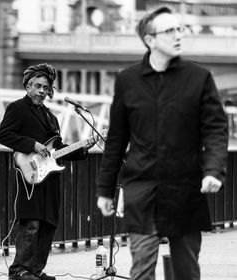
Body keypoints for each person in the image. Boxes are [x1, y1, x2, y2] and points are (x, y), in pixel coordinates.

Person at [96, 7, 228, 280]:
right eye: (170, 31)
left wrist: (214, 171)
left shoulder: (199, 77)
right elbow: (117, 139)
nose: (178, 35)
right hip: (142, 188)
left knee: (186, 271)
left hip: (185, 187)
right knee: (141, 269)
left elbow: (215, 129)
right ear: (149, 39)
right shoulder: (128, 80)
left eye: (180, 29)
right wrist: (105, 190)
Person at [0, 63, 95, 280]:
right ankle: (19, 270)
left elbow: (57, 151)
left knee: (48, 224)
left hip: (49, 178)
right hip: (29, 176)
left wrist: (83, 148)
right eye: (38, 86)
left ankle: (35, 270)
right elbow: (3, 135)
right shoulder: (17, 108)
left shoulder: (52, 118)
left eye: (46, 87)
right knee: (31, 222)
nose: (42, 90)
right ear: (28, 86)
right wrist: (31, 144)